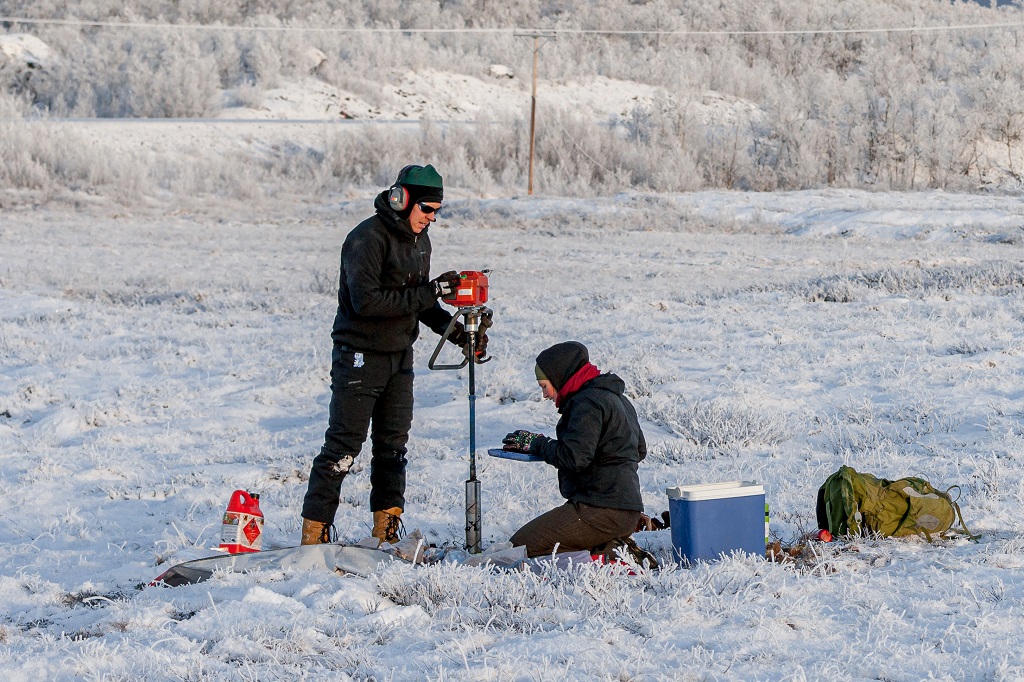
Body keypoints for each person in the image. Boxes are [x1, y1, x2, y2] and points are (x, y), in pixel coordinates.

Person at [300, 164, 487, 546]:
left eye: (437, 211)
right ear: (402, 200)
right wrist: (431, 292)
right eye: (427, 209)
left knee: (392, 448)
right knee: (343, 448)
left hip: (400, 358)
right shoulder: (366, 239)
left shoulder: (422, 242)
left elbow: (419, 303)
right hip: (360, 356)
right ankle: (314, 533)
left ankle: (385, 532)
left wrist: (459, 335)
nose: (432, 218)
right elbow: (366, 302)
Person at [502, 341, 652, 564]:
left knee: (518, 549)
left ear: (559, 377)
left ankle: (613, 554)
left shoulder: (587, 402)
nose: (544, 395)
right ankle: (609, 547)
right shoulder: (617, 398)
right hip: (626, 510)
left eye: (544, 386)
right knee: (529, 547)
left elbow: (573, 457)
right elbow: (639, 450)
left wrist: (536, 443)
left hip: (600, 510)